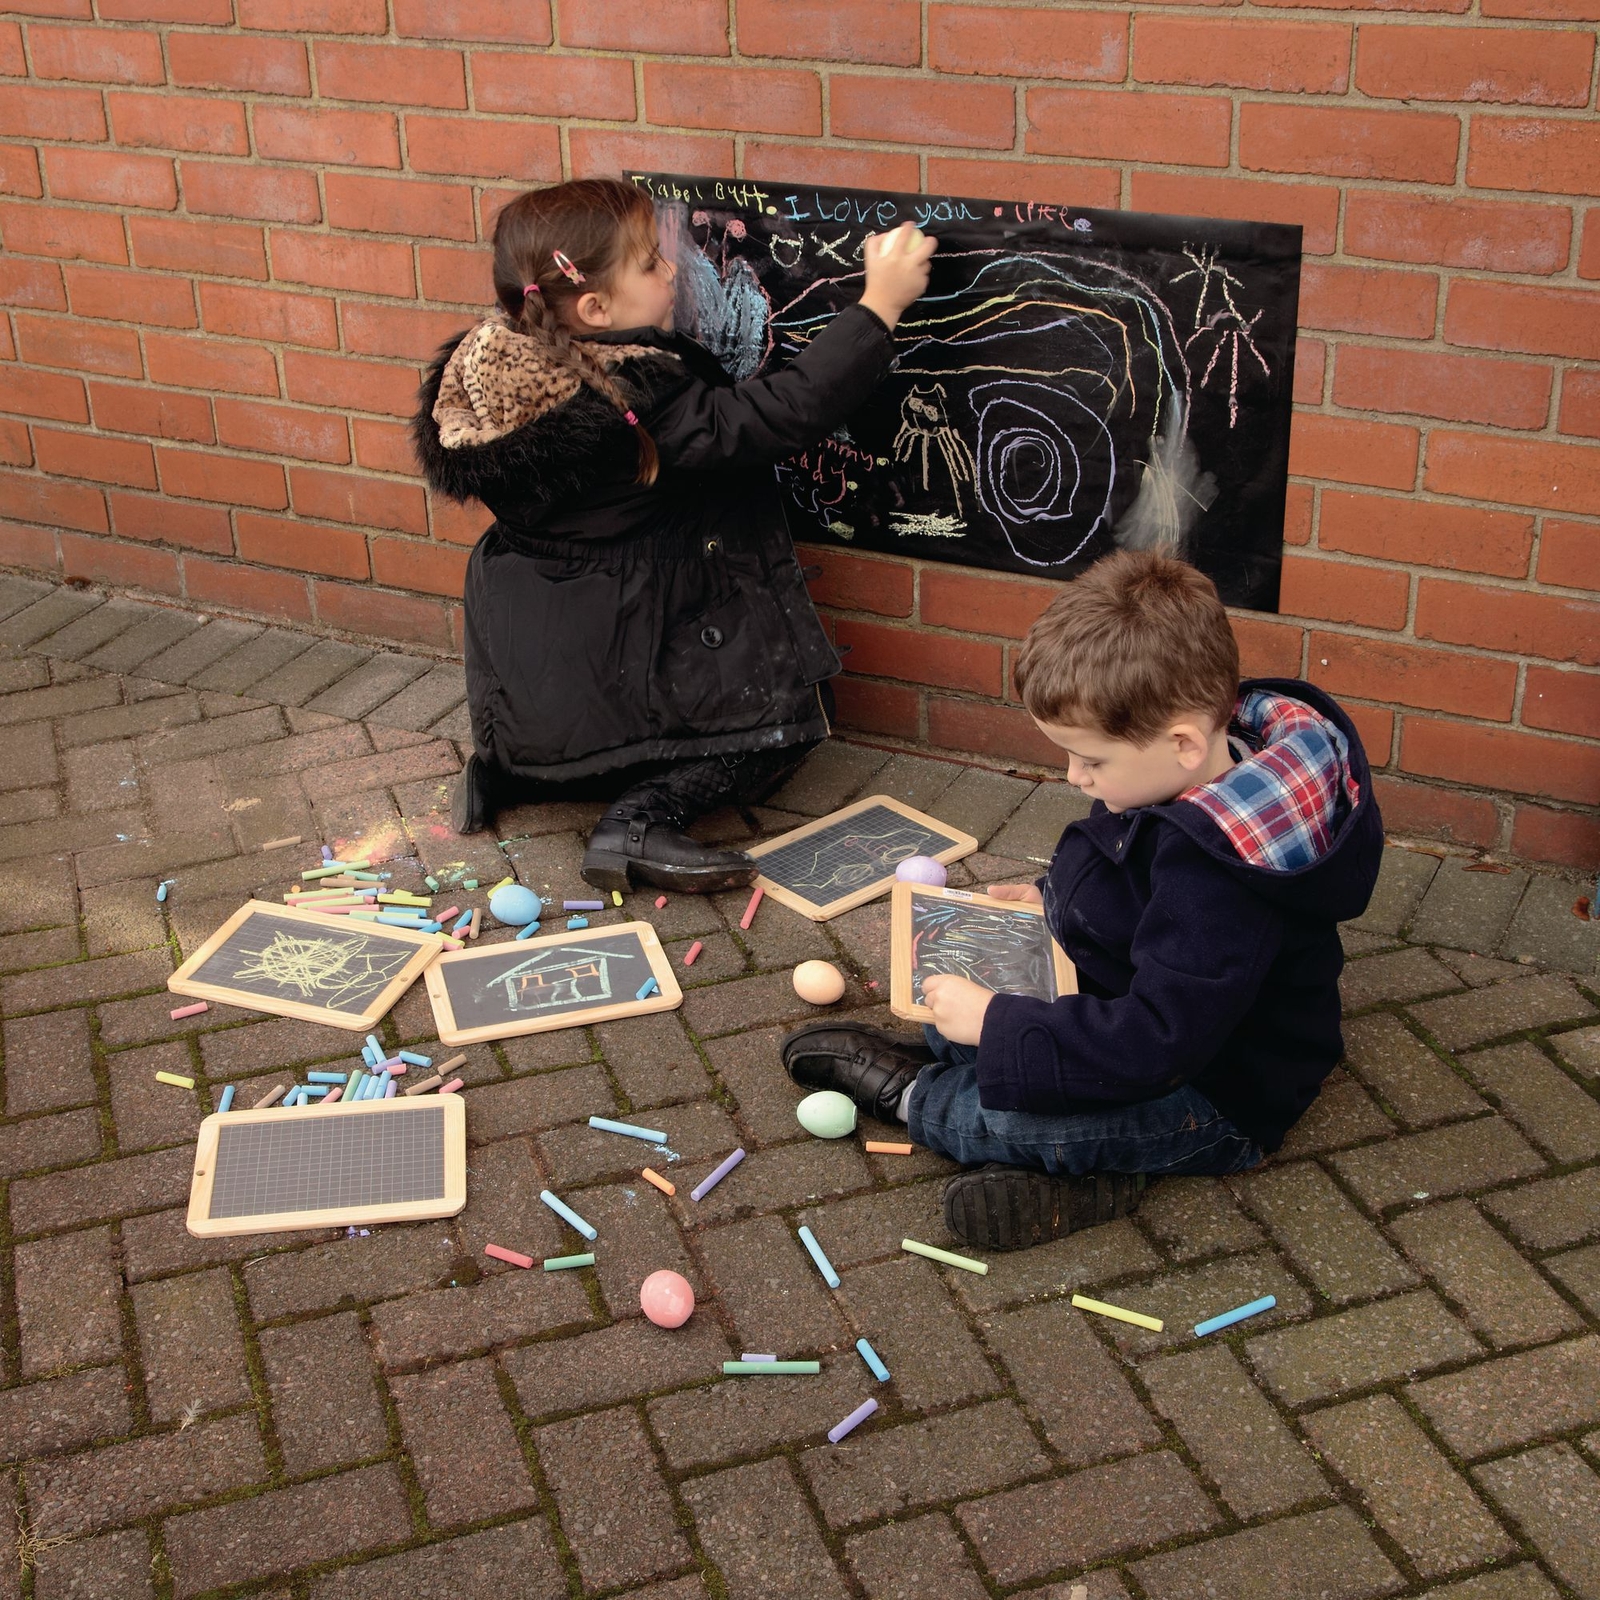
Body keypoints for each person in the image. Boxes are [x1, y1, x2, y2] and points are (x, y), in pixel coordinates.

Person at [782, 550, 1384, 1250]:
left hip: (1214, 1098)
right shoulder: (1184, 775)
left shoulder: (1219, 879)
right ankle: (1046, 1125)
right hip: (1142, 1016)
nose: (1072, 776)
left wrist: (1002, 1027)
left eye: (1091, 760)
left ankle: (919, 1100)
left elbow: (1157, 1043)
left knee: (1002, 1120)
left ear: (1184, 743)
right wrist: (1050, 900)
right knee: (969, 1022)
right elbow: (1135, 878)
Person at [412, 177, 935, 892]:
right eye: (652, 265)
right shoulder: (631, 405)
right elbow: (776, 415)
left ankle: (510, 770)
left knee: (603, 711)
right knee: (796, 722)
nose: (673, 271)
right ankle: (637, 823)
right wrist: (880, 307)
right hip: (617, 653)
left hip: (536, 691)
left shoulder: (499, 377)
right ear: (595, 309)